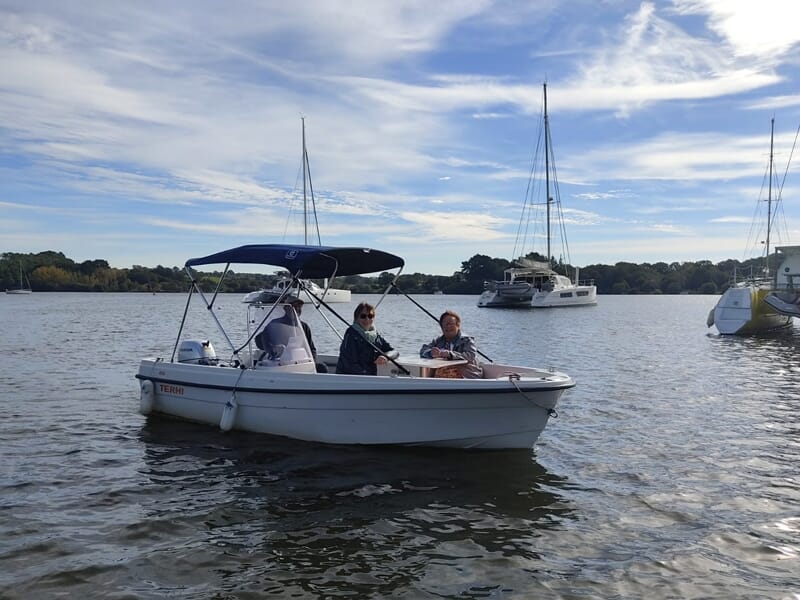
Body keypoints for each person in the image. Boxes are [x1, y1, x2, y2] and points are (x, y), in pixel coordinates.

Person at [256, 295, 328, 372]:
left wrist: (312, 362)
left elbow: (312, 349)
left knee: (322, 368)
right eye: (294, 307)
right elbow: (259, 341)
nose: (297, 309)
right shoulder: (275, 324)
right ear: (286, 308)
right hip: (280, 364)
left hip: (300, 362)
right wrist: (273, 348)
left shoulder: (304, 326)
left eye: (299, 306)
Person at [336, 302, 395, 375]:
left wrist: (385, 357)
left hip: (369, 378)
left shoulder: (375, 336)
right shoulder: (351, 334)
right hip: (349, 378)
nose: (367, 319)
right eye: (363, 316)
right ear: (356, 318)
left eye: (370, 316)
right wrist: (367, 374)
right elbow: (349, 364)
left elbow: (394, 352)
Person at [419, 310, 482, 379]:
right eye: (445, 324)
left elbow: (470, 356)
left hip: (467, 377)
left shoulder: (467, 340)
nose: (448, 326)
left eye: (451, 323)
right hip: (441, 378)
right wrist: (430, 353)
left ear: (458, 325)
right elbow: (423, 350)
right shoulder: (438, 340)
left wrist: (450, 354)